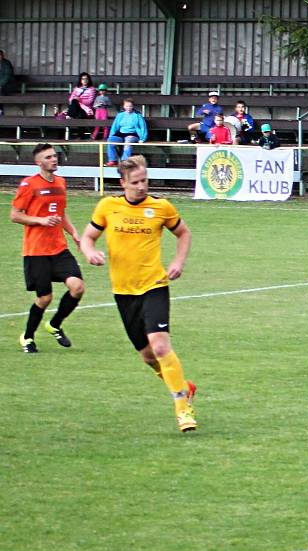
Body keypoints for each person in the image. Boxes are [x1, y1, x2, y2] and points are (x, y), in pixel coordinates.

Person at [80, 155, 197, 432]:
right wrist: (89, 252)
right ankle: (183, 387)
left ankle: (183, 409)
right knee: (147, 355)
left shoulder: (161, 207)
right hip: (123, 291)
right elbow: (87, 237)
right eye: (136, 182)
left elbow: (184, 234)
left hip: (154, 285)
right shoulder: (108, 207)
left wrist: (178, 262)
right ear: (123, 183)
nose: (142, 186)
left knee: (160, 346)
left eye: (144, 180)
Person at [10, 143, 84, 353]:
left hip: (59, 248)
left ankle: (54, 324)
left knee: (77, 287)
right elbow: (15, 215)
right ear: (39, 162)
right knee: (45, 298)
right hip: (36, 251)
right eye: (49, 157)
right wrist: (40, 221)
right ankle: (27, 337)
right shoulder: (29, 184)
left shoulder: (61, 182)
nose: (54, 159)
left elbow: (62, 213)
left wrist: (74, 233)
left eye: (54, 155)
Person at [104, 98, 148, 167]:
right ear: (124, 106)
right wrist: (111, 135)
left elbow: (143, 127)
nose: (128, 108)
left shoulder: (137, 115)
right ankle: (112, 160)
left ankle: (125, 161)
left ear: (133, 106)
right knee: (110, 140)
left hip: (133, 133)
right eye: (127, 106)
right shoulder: (120, 115)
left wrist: (142, 138)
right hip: (121, 133)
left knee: (128, 140)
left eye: (130, 106)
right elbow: (115, 126)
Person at [0, 50, 14, 116]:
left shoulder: (7, 63)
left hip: (6, 85)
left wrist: (0, 84)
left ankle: (0, 110)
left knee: (0, 92)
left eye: (1, 55)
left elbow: (7, 76)